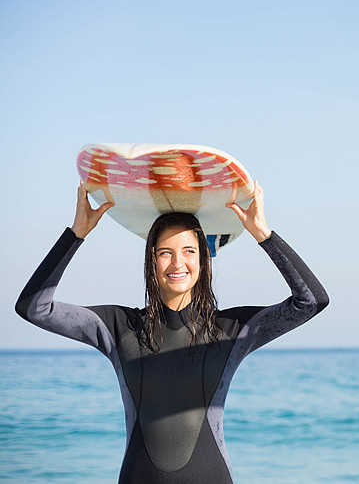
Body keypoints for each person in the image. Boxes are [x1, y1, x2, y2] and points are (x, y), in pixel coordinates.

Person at [15, 182, 329, 484]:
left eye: (189, 251)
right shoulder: (118, 327)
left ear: (204, 260)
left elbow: (311, 301)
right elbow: (34, 308)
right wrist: (76, 234)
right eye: (165, 252)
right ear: (151, 261)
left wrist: (263, 234)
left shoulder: (232, 330)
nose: (177, 262)